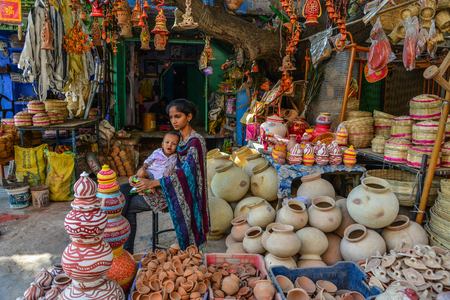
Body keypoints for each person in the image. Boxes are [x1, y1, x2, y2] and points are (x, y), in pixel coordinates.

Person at [120, 99, 210, 253]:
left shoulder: (196, 142)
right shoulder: (178, 138)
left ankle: (125, 251)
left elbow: (186, 174)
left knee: (128, 204)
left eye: (178, 116)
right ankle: (122, 247)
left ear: (189, 117)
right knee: (122, 189)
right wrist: (139, 175)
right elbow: (160, 160)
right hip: (166, 183)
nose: (173, 121)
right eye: (171, 117)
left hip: (182, 192)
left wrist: (153, 184)